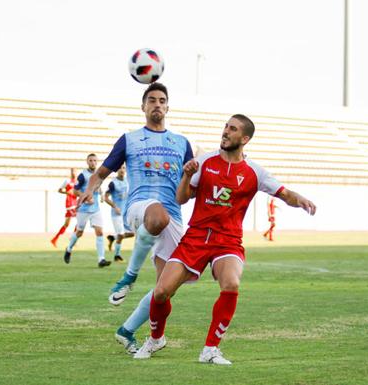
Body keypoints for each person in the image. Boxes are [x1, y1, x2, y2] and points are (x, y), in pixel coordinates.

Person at [133, 114, 316, 364]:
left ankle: (210, 349)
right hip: (196, 237)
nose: (226, 132)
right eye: (225, 127)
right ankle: (156, 338)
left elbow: (284, 193)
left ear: (245, 138)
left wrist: (301, 199)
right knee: (162, 291)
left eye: (232, 129)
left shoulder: (255, 172)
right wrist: (187, 176)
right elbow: (180, 199)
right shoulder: (205, 161)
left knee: (231, 283)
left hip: (228, 241)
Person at [78, 82, 193, 353]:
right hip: (140, 208)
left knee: (164, 291)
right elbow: (102, 172)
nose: (157, 104)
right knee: (157, 215)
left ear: (167, 106)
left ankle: (127, 330)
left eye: (161, 100)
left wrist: (190, 174)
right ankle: (128, 277)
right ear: (143, 107)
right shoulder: (129, 139)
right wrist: (90, 189)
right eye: (151, 100)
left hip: (173, 216)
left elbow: (187, 193)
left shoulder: (181, 143)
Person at [63, 154, 111, 267]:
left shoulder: (100, 174)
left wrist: (102, 195)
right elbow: (75, 191)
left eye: (95, 160)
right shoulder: (82, 176)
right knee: (79, 232)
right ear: (87, 162)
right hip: (83, 209)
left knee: (99, 232)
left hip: (95, 209)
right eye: (91, 160)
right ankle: (69, 248)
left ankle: (101, 259)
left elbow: (98, 187)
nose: (93, 162)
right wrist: (85, 197)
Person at [104, 164, 133, 262]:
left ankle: (113, 238)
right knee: (121, 234)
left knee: (132, 233)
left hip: (126, 213)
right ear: (117, 170)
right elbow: (106, 197)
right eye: (120, 168)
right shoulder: (113, 183)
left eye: (124, 168)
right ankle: (117, 256)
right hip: (116, 214)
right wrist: (115, 206)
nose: (122, 170)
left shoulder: (128, 181)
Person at [50, 168, 78, 247]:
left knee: (67, 224)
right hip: (70, 204)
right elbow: (59, 190)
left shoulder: (78, 182)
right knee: (80, 221)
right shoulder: (67, 182)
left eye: (75, 171)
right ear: (70, 173)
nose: (73, 173)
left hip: (75, 204)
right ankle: (73, 238)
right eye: (72, 171)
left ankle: (54, 239)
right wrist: (66, 192)